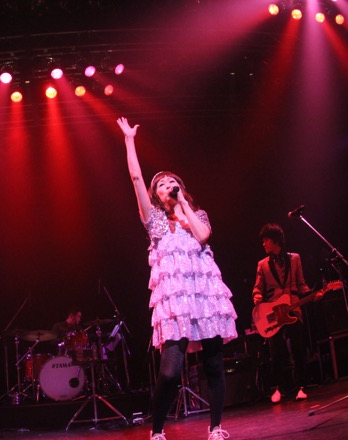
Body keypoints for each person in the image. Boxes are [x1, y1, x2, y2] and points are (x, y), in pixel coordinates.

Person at [116, 117, 238, 440]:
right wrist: (129, 140)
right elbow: (136, 177)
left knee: (214, 365)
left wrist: (183, 204)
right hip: (175, 303)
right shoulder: (154, 221)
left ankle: (215, 428)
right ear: (156, 195)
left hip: (205, 297)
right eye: (162, 184)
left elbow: (204, 237)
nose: (167, 184)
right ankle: (157, 431)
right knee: (170, 371)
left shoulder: (198, 215)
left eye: (172, 181)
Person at [252, 223, 311, 403]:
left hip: (293, 308)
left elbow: (301, 284)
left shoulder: (295, 259)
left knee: (297, 349)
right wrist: (257, 296)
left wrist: (312, 294)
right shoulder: (262, 264)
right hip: (273, 312)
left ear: (275, 240)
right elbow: (258, 288)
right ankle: (279, 387)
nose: (263, 244)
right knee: (276, 352)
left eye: (266, 240)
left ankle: (301, 386)